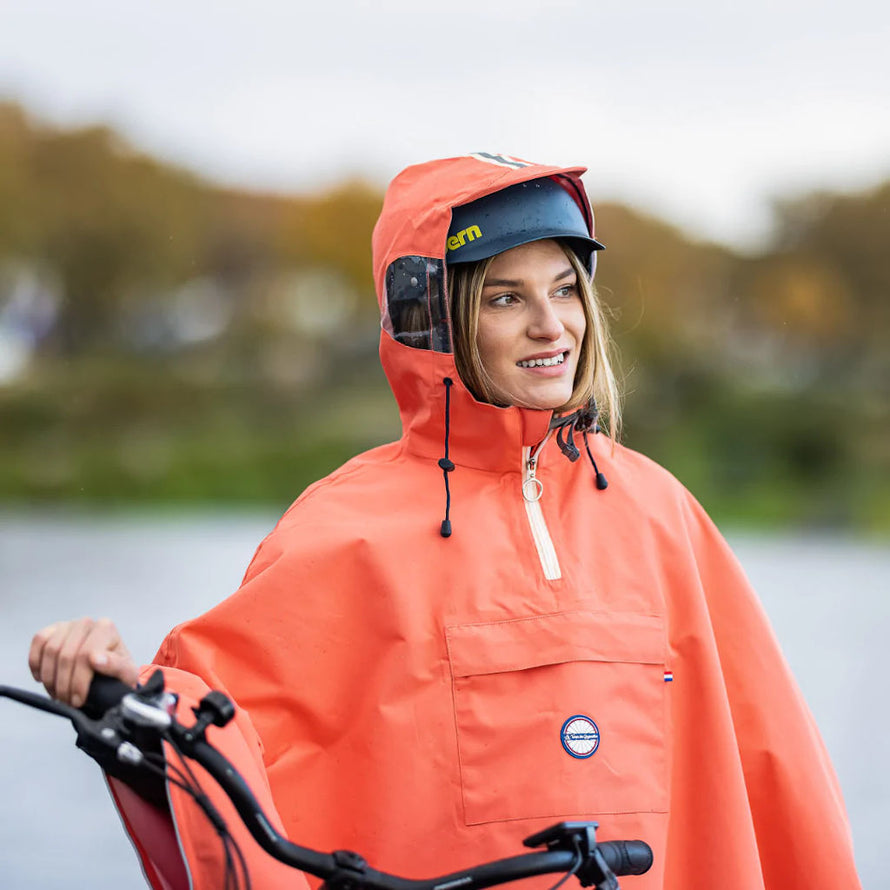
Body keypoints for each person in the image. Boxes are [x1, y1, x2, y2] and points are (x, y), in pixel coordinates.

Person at [28, 152, 861, 890]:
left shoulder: (662, 514)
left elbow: (776, 776)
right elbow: (219, 750)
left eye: (566, 289)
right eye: (506, 298)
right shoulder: (343, 530)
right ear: (433, 316)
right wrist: (113, 692)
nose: (552, 326)